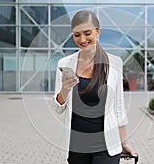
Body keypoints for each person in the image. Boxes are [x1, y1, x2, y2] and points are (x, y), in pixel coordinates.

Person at [52, 10, 137, 164]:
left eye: (87, 33)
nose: (82, 39)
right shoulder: (64, 64)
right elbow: (58, 108)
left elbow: (119, 109)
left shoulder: (114, 63)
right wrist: (65, 89)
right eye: (77, 35)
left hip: (106, 145)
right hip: (77, 146)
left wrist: (125, 143)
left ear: (98, 32)